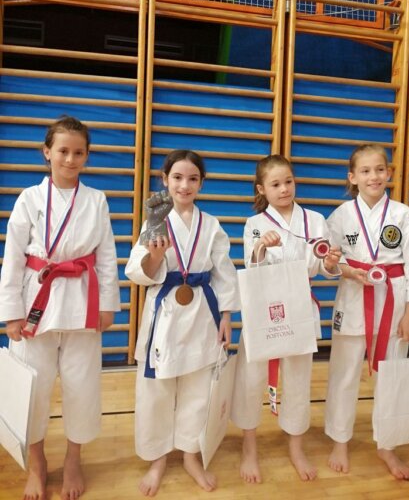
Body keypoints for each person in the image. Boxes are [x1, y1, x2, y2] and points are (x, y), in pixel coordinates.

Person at [0, 115, 121, 500]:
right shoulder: (29, 199)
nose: (70, 159)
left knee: (81, 385)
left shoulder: (96, 200)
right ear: (47, 152)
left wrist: (108, 304)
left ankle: (73, 458)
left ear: (87, 156)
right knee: (32, 389)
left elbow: (106, 255)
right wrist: (11, 312)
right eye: (63, 151)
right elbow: (13, 257)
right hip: (36, 301)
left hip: (83, 302)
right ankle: (36, 462)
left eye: (78, 152)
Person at [125, 149, 240, 497]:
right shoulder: (155, 220)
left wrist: (226, 316)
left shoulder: (211, 225)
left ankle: (191, 454)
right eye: (177, 177)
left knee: (198, 388)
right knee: (157, 390)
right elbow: (138, 272)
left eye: (192, 178)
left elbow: (224, 272)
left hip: (202, 312)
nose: (184, 185)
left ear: (201, 183)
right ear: (165, 180)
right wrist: (155, 255)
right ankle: (157, 458)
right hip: (166, 311)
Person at [230, 154, 341, 484]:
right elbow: (251, 265)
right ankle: (249, 446)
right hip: (263, 305)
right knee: (251, 377)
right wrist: (261, 247)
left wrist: (331, 263)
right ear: (261, 189)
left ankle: (296, 445)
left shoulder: (315, 220)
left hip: (300, 305)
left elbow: (323, 267)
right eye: (275, 184)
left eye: (288, 181)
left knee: (298, 378)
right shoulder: (255, 224)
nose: (284, 189)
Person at [324, 143, 409, 480]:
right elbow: (328, 262)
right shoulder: (340, 216)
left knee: (391, 375)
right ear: (352, 177)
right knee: (343, 375)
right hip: (353, 297)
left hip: (393, 302)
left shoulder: (404, 215)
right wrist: (340, 268)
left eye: (380, 169)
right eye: (366, 171)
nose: (374, 176)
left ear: (389, 173)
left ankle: (387, 443)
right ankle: (340, 440)